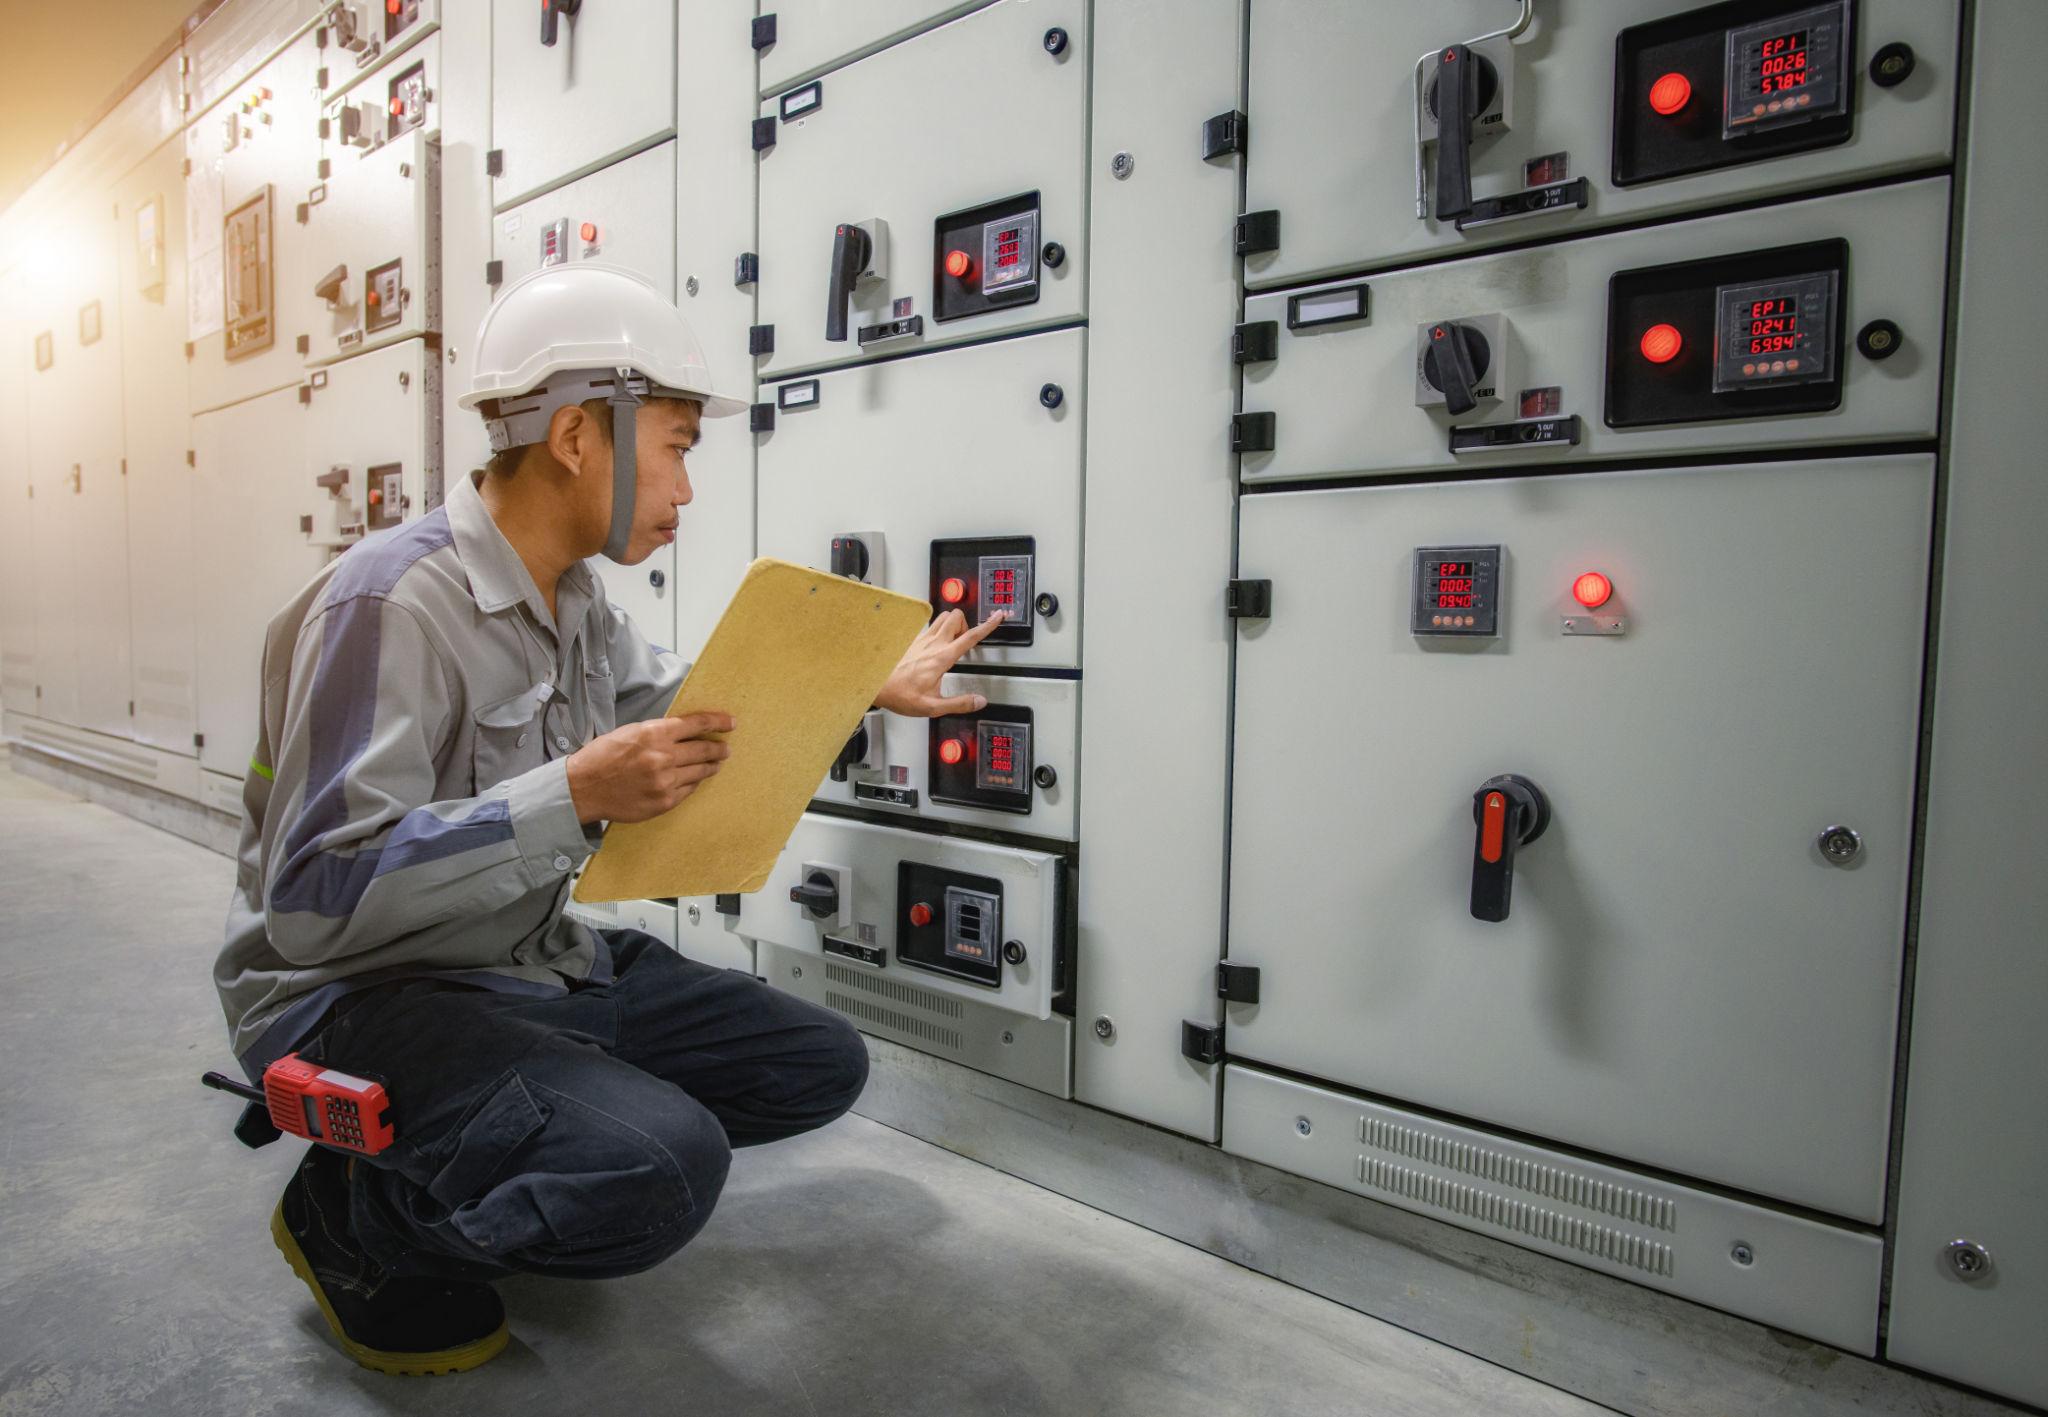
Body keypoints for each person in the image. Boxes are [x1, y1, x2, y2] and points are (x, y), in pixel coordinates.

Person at [212, 264, 1004, 1375]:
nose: (685, 488)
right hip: (354, 990)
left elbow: (688, 721)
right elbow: (312, 898)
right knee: (660, 1170)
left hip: (518, 959)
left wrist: (860, 687)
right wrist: (573, 794)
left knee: (812, 1062)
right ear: (580, 435)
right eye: (677, 447)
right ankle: (360, 1219)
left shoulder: (576, 600)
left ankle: (494, 1140)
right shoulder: (391, 602)